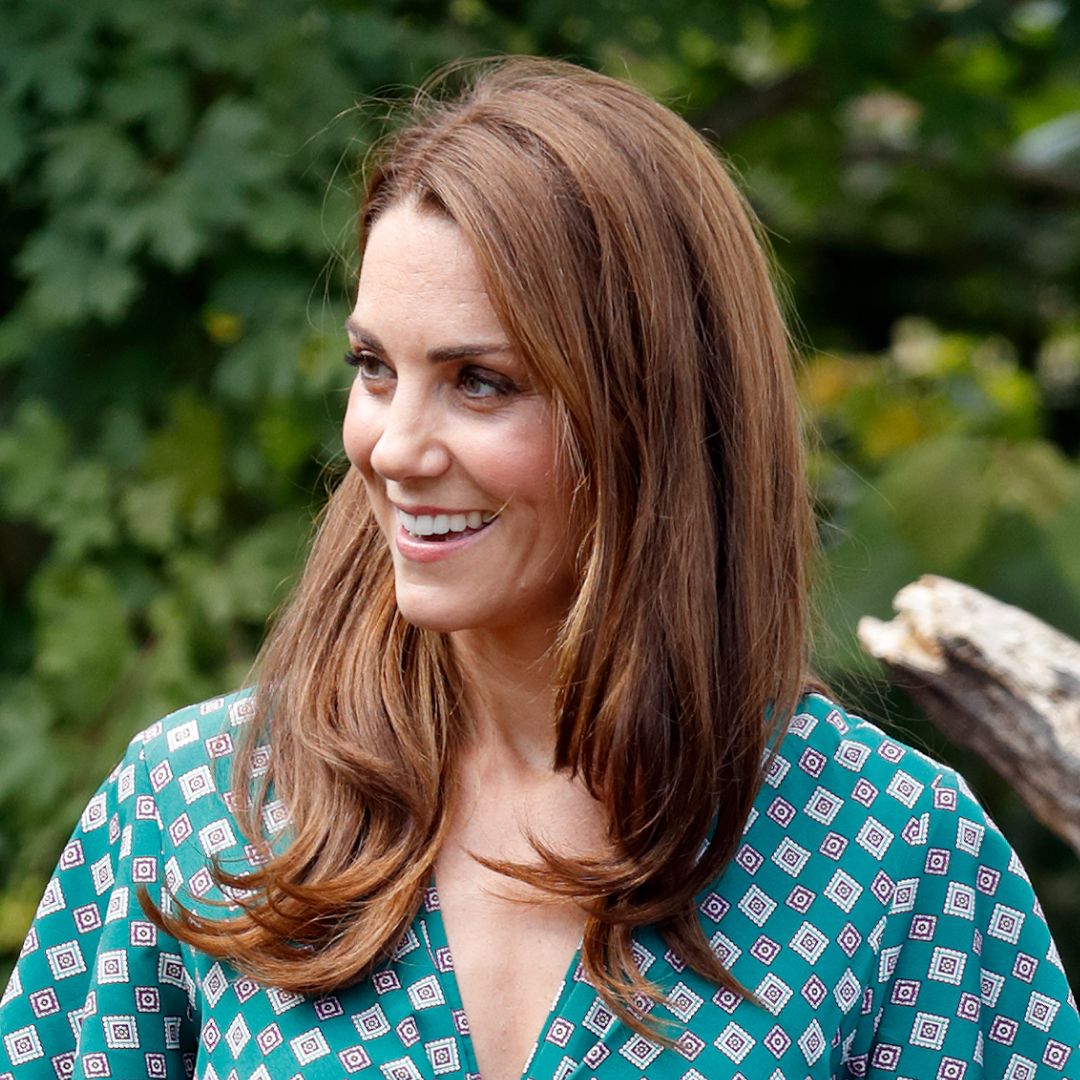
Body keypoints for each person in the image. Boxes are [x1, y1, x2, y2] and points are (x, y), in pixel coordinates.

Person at [1, 57, 1077, 1080]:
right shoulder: (199, 805)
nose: (394, 447)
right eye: (375, 368)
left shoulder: (894, 856)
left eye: (481, 382)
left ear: (652, 416)